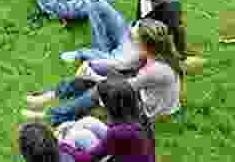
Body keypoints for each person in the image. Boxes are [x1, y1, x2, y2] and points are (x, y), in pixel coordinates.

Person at [22, 19, 185, 126]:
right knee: (100, 73)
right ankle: (53, 96)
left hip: (150, 110)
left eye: (134, 41)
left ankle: (50, 116)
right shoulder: (156, 52)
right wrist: (91, 64)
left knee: (99, 90)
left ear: (145, 44)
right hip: (144, 92)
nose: (132, 43)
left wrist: (92, 76)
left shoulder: (157, 70)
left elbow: (119, 88)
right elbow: (123, 64)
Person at [61, 0, 187, 67]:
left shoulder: (169, 5)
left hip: (140, 45)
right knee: (97, 4)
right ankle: (102, 51)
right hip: (130, 30)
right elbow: (140, 18)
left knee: (118, 64)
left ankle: (84, 53)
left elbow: (178, 29)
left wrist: (181, 56)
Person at [56, 80, 156, 162]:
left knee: (80, 136)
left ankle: (57, 157)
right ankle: (66, 136)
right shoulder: (140, 117)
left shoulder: (119, 132)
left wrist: (63, 146)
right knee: (88, 121)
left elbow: (87, 158)